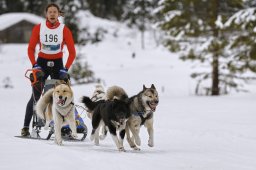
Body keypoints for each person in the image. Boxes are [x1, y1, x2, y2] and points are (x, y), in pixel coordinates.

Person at [21, 3, 76, 136]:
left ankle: (65, 127)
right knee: (35, 96)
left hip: (58, 64)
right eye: (50, 12)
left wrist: (65, 68)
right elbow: (31, 48)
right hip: (41, 63)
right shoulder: (39, 28)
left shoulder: (64, 29)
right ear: (46, 14)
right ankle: (25, 127)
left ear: (58, 14)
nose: (52, 14)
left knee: (63, 95)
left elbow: (72, 52)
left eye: (54, 12)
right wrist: (35, 64)